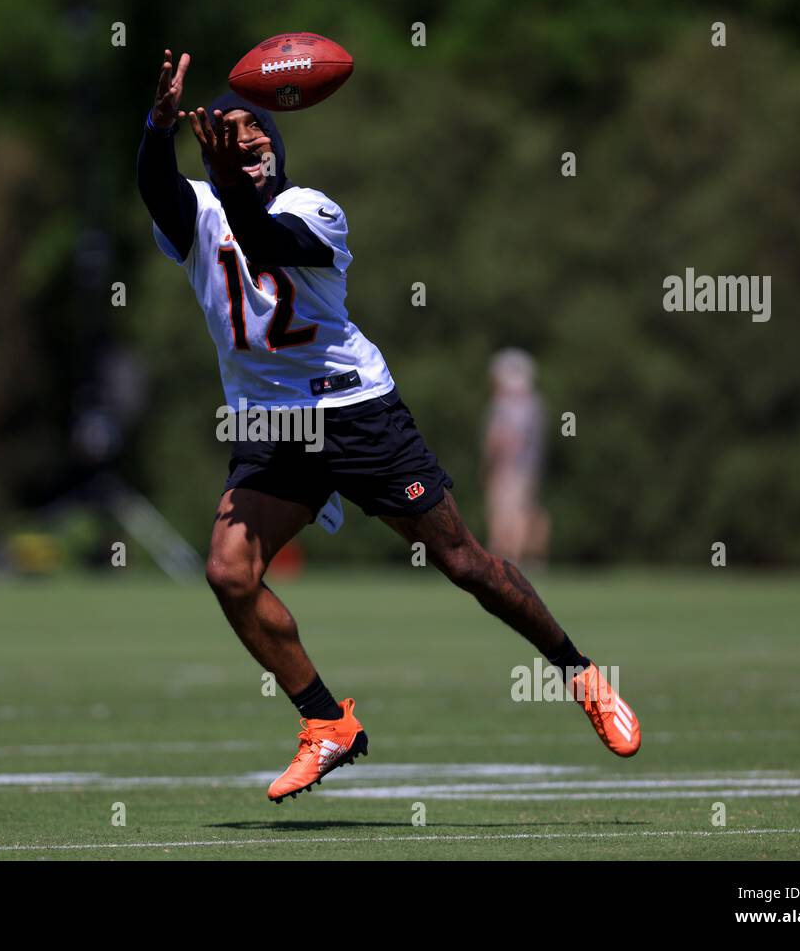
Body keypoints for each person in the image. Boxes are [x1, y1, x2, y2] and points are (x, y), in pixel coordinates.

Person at [137, 50, 639, 803]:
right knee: (228, 573)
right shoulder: (201, 212)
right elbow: (154, 188)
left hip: (356, 411)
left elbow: (267, 241)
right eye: (227, 129)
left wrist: (229, 173)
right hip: (276, 427)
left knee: (465, 562)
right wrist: (158, 126)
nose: (240, 139)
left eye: (252, 130)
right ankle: (325, 721)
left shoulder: (314, 210)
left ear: (275, 146)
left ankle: (581, 673)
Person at [482, 349, 550, 566]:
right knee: (521, 512)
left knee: (507, 514)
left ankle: (507, 562)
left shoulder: (509, 405)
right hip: (526, 468)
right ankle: (516, 561)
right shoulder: (533, 404)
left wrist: (489, 465)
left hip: (509, 468)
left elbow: (501, 440)